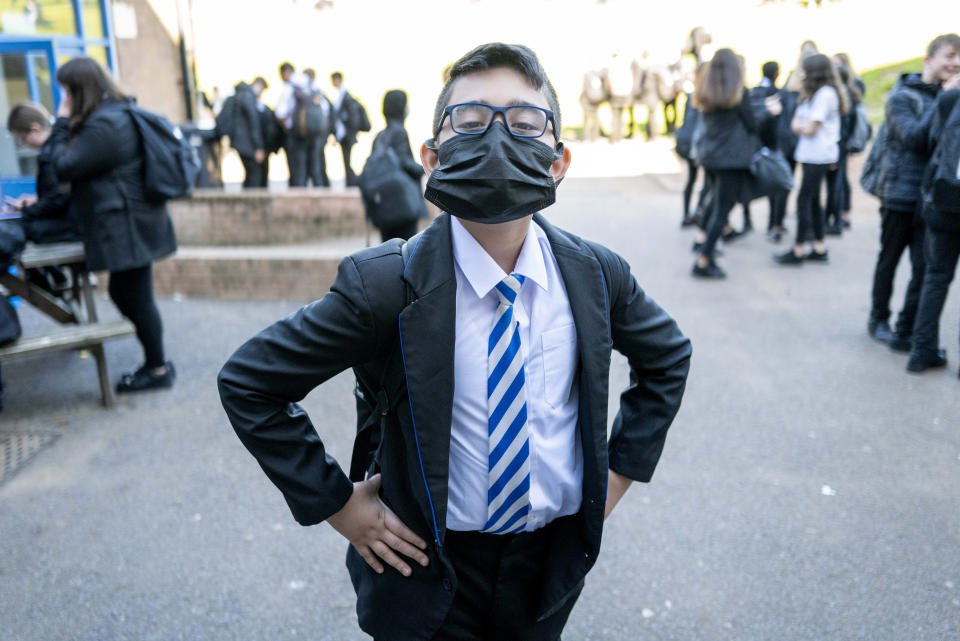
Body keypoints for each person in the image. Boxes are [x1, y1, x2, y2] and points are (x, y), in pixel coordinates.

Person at [218, 42, 691, 641]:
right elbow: (249, 382)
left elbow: (668, 355)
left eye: (524, 124)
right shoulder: (384, 285)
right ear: (432, 157)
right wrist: (338, 504)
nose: (497, 139)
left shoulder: (595, 274)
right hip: (426, 567)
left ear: (558, 161)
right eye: (469, 123)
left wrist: (620, 472)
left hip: (546, 567)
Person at [49, 56, 177, 393]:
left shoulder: (106, 124)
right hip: (129, 223)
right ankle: (157, 362)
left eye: (66, 90)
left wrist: (60, 123)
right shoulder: (112, 116)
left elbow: (62, 166)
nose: (63, 98)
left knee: (136, 297)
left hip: (128, 226)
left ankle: (158, 367)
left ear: (79, 89)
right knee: (126, 294)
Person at [866, 34, 960, 347]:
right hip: (900, 194)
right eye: (949, 56)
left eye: (959, 58)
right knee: (889, 259)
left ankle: (907, 327)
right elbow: (915, 139)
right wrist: (945, 102)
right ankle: (878, 317)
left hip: (934, 199)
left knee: (924, 268)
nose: (955, 63)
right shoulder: (902, 97)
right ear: (928, 60)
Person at [691, 48, 781, 279]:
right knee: (723, 208)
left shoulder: (706, 90)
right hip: (731, 158)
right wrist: (769, 111)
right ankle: (704, 259)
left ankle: (703, 241)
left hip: (710, 155)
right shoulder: (738, 92)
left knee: (714, 200)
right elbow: (751, 124)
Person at [903, 62, 960, 373]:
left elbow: (929, 141)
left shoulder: (951, 99)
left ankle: (922, 350)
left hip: (943, 198)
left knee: (936, 276)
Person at [774, 53, 847, 266]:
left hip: (819, 156)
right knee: (813, 201)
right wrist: (800, 127)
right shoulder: (812, 94)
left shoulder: (825, 95)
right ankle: (818, 246)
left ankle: (798, 249)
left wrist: (800, 127)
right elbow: (797, 125)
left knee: (804, 200)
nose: (801, 74)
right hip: (811, 155)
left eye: (805, 70)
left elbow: (809, 128)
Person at [5, 101, 79, 244]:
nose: (23, 144)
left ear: (35, 129)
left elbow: (58, 199)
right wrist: (36, 200)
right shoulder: (57, 147)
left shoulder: (51, 154)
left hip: (70, 226)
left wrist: (27, 209)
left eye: (22, 138)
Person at [368, 89, 425, 241]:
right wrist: (424, 168)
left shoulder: (380, 135)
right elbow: (404, 162)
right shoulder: (400, 132)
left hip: (384, 205)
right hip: (402, 203)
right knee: (406, 249)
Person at [752, 61, 785, 238]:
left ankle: (748, 221)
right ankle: (774, 225)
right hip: (771, 145)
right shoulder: (776, 93)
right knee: (776, 187)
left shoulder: (755, 91)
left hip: (756, 144)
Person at [274, 61, 309, 187]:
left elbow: (280, 112)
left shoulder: (289, 87)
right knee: (303, 164)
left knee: (294, 165)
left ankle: (296, 190)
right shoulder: (307, 85)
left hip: (293, 131)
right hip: (306, 130)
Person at [227, 78, 267, 189]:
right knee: (254, 176)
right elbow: (253, 123)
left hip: (240, 141)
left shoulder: (239, 96)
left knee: (250, 175)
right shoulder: (248, 97)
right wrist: (258, 146)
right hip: (248, 144)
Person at [330, 71, 366, 186]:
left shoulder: (345, 96)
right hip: (346, 134)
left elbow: (348, 117)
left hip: (347, 134)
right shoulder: (342, 95)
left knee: (347, 160)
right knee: (346, 160)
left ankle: (352, 182)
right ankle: (351, 182)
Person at [302, 68, 333, 187]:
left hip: (311, 133)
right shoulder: (318, 92)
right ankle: (320, 186)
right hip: (318, 133)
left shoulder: (306, 92)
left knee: (314, 163)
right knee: (317, 162)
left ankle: (319, 187)